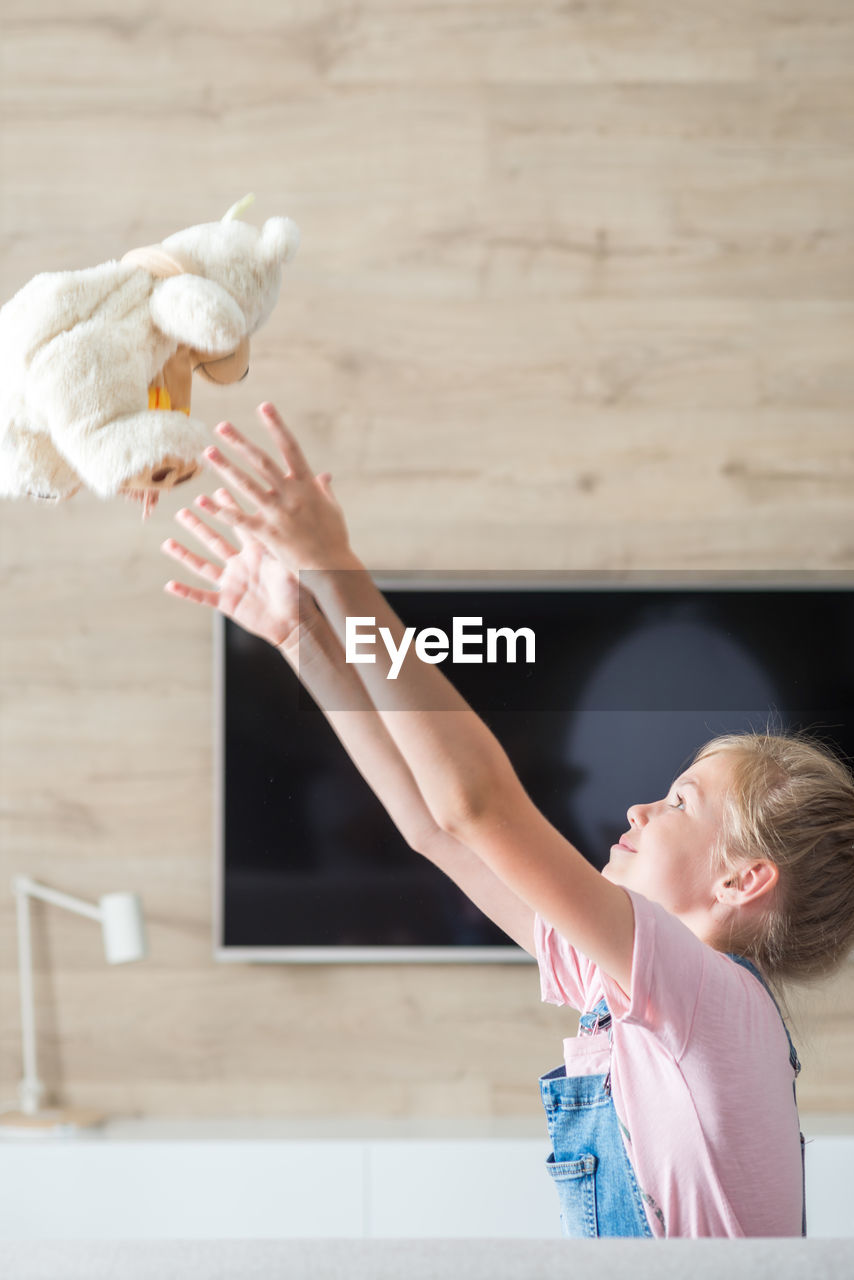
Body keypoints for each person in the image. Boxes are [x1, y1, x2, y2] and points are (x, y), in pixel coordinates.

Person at [161, 402, 854, 1239]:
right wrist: (300, 637)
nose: (640, 806)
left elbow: (477, 802)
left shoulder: (712, 997)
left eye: (680, 802)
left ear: (744, 878)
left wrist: (336, 568)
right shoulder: (647, 995)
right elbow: (435, 827)